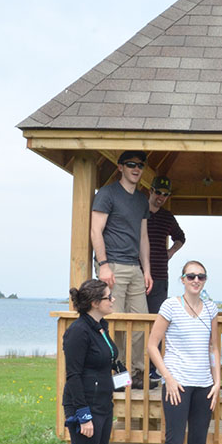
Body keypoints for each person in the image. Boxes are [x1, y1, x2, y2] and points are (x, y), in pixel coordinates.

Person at [144, 260, 222, 444]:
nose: (196, 281)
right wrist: (168, 378)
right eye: (191, 276)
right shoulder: (170, 306)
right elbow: (152, 346)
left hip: (204, 386)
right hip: (177, 384)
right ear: (183, 279)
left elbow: (214, 348)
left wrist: (218, 381)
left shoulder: (211, 308)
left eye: (201, 276)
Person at [60, 279, 121, 444]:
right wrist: (83, 415)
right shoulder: (78, 332)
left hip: (103, 404)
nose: (113, 300)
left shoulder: (100, 328)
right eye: (110, 297)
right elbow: (73, 376)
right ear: (96, 303)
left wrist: (122, 376)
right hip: (84, 406)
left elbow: (108, 359)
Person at [91, 150, 154, 389]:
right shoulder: (107, 194)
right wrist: (103, 265)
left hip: (135, 268)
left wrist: (146, 270)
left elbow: (143, 237)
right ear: (120, 167)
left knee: (141, 323)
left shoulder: (141, 200)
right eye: (131, 165)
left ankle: (137, 373)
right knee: (114, 324)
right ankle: (117, 376)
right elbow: (96, 230)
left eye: (140, 165)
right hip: (112, 266)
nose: (136, 169)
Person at [145, 174, 186, 383]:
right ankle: (134, 367)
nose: (161, 197)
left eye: (165, 194)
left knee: (157, 322)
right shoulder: (139, 210)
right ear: (150, 190)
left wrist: (170, 252)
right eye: (158, 192)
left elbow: (181, 237)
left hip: (160, 275)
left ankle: (154, 368)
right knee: (135, 320)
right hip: (138, 273)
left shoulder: (167, 217)